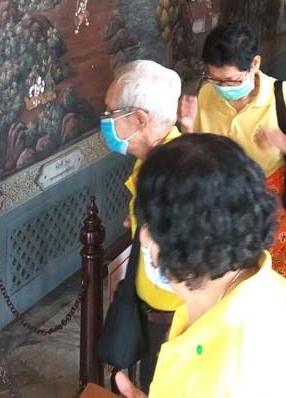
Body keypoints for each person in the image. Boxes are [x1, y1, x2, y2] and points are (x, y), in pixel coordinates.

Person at [114, 134, 286, 398]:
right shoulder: (269, 288)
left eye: (145, 223)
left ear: (164, 243)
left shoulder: (224, 377)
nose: (141, 234)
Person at [181, 21, 286, 334]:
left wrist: (283, 142)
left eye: (231, 80)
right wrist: (187, 130)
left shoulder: (282, 96)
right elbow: (196, 163)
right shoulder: (207, 95)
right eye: (214, 78)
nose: (222, 87)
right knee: (232, 306)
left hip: (278, 223)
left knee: (285, 301)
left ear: (254, 64)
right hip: (225, 222)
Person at [101, 60, 184, 393]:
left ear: (139, 119)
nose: (105, 122)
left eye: (110, 114)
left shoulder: (175, 173)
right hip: (156, 310)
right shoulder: (154, 159)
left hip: (175, 321)